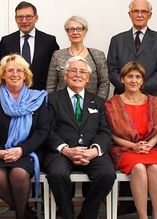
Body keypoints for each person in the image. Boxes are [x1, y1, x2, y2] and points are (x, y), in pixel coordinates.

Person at [43, 56, 116, 219]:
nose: (78, 74)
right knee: (57, 174)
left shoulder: (98, 102)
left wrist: (94, 151)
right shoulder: (51, 99)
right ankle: (67, 213)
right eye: (73, 70)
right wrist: (65, 149)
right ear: (65, 75)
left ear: (88, 78)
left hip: (90, 151)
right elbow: (46, 130)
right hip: (61, 152)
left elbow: (105, 131)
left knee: (107, 173)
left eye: (82, 71)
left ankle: (87, 214)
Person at [0, 54, 49, 219]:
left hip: (26, 151)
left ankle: (20, 215)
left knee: (19, 173)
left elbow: (43, 130)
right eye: (10, 70)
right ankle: (25, 213)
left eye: (20, 70)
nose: (15, 74)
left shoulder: (37, 98)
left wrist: (21, 150)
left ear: (25, 75)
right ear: (3, 74)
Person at [105, 61, 157, 219]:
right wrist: (134, 146)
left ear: (143, 80)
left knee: (155, 168)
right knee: (138, 167)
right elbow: (112, 134)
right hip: (124, 149)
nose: (134, 80)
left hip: (150, 148)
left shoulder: (154, 102)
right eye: (129, 76)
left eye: (138, 77)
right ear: (122, 79)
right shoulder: (113, 104)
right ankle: (143, 217)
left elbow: (156, 132)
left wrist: (148, 146)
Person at [107, 0, 157, 98]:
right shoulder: (116, 40)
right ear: (130, 14)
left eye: (144, 11)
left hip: (151, 97)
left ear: (149, 15)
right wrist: (128, 88)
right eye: (136, 11)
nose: (140, 15)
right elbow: (112, 70)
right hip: (122, 97)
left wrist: (140, 88)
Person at [0, 1, 59, 90]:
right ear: (15, 19)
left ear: (36, 18)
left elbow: (54, 73)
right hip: (13, 94)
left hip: (40, 94)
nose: (24, 21)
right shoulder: (6, 41)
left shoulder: (49, 41)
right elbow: (2, 70)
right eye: (20, 17)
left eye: (28, 17)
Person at [46, 16, 110, 99]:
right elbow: (51, 84)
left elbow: (104, 83)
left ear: (85, 31)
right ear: (67, 32)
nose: (75, 32)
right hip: (61, 106)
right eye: (71, 29)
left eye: (79, 29)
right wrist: (52, 104)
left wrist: (98, 104)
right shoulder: (57, 55)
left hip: (90, 105)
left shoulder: (98, 55)